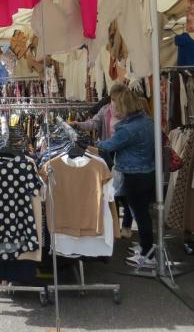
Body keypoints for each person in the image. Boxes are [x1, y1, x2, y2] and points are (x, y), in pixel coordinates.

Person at [97, 86, 156, 268]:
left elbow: (109, 146)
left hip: (135, 175)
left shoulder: (129, 129)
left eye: (114, 104)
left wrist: (94, 143)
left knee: (141, 215)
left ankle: (148, 256)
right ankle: (146, 247)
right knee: (142, 213)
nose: (112, 108)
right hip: (147, 172)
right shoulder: (146, 120)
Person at [72, 83, 135, 238]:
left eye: (116, 99)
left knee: (125, 190)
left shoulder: (130, 112)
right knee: (110, 189)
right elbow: (94, 123)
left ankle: (126, 225)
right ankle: (114, 224)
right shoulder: (105, 110)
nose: (113, 102)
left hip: (124, 153)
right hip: (108, 152)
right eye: (112, 99)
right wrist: (79, 125)